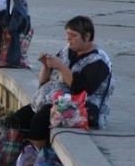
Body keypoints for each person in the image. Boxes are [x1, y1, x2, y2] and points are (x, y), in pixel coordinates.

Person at [7, 16, 114, 149]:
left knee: (39, 121)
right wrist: (46, 66)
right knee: (15, 121)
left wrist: (62, 67)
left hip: (84, 110)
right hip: (53, 101)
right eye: (68, 34)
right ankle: (12, 155)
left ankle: (33, 159)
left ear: (87, 36)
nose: (69, 39)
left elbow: (81, 89)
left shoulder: (99, 61)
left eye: (73, 35)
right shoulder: (68, 50)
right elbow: (43, 81)